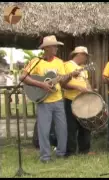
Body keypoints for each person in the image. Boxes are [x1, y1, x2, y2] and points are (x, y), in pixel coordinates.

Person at [20, 35, 79, 163]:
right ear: (46, 48)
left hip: (58, 100)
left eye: (56, 46)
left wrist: (70, 76)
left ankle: (61, 154)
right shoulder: (36, 61)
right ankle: (45, 157)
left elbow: (63, 82)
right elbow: (23, 77)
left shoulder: (59, 62)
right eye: (54, 46)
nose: (56, 48)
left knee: (62, 129)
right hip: (44, 101)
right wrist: (41, 84)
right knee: (44, 130)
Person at [63, 46, 94, 156]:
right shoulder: (67, 65)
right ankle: (70, 151)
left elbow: (86, 82)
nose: (86, 58)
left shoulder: (83, 68)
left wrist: (90, 91)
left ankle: (84, 150)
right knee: (71, 126)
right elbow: (64, 83)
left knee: (85, 126)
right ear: (79, 54)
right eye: (85, 56)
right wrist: (78, 88)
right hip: (71, 100)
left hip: (84, 100)